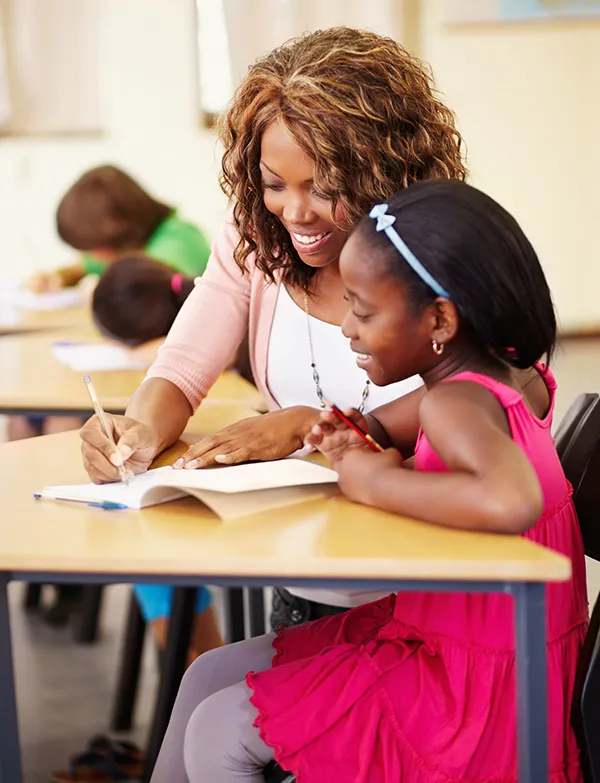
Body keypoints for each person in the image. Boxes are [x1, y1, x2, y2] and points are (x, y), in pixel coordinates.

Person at [149, 180, 587, 783]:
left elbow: (509, 498)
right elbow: (383, 426)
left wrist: (370, 481)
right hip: (469, 648)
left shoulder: (456, 404)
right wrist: (351, 437)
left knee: (218, 731)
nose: (348, 328)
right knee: (204, 677)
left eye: (363, 309)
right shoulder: (493, 380)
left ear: (439, 319)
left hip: (470, 695)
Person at [80, 28, 466, 627]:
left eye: (325, 187)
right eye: (274, 184)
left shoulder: (448, 249)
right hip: (307, 573)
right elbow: (181, 368)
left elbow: (499, 387)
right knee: (211, 699)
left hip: (428, 579)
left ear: (385, 171)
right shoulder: (254, 242)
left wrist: (319, 426)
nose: (294, 213)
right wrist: (136, 434)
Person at [27, 164, 211, 293]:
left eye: (93, 248)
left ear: (119, 229)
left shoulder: (179, 241)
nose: (92, 256)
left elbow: (147, 287)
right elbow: (83, 268)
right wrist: (58, 277)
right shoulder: (123, 250)